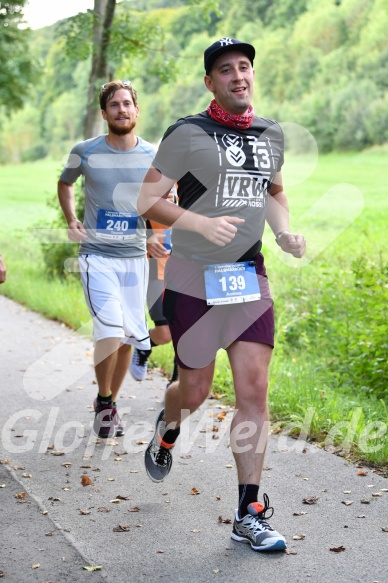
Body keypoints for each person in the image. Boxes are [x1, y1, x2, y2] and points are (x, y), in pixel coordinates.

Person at [138, 38, 306, 552]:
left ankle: (248, 511)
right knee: (195, 392)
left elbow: (273, 194)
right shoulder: (187, 133)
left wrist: (283, 232)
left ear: (252, 75)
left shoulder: (269, 134)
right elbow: (147, 198)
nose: (238, 75)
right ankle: (168, 428)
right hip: (193, 276)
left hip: (247, 275)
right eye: (226, 70)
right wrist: (196, 223)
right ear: (210, 81)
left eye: (245, 67)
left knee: (254, 392)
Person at [58, 80, 155, 439]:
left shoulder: (153, 154)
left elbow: (167, 201)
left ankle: (108, 405)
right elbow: (65, 183)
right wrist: (71, 218)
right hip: (97, 256)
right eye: (114, 105)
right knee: (110, 328)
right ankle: (103, 399)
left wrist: (160, 236)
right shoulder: (84, 150)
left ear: (137, 109)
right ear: (104, 113)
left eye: (127, 103)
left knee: (129, 334)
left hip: (135, 259)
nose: (122, 110)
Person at [130, 191, 179, 386]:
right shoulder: (153, 179)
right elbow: (130, 217)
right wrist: (145, 240)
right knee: (165, 333)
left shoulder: (195, 178)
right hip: (156, 267)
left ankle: (176, 386)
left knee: (185, 332)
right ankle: (143, 346)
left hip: (186, 267)